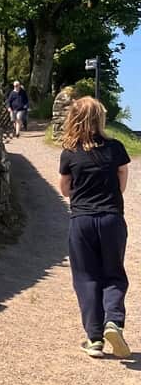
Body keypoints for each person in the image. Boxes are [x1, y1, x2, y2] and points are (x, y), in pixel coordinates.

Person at [58, 96, 131, 359]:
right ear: (100, 118)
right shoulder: (116, 148)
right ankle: (114, 321)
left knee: (87, 277)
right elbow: (122, 175)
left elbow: (64, 188)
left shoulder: (70, 152)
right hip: (112, 219)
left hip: (82, 221)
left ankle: (95, 338)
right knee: (113, 274)